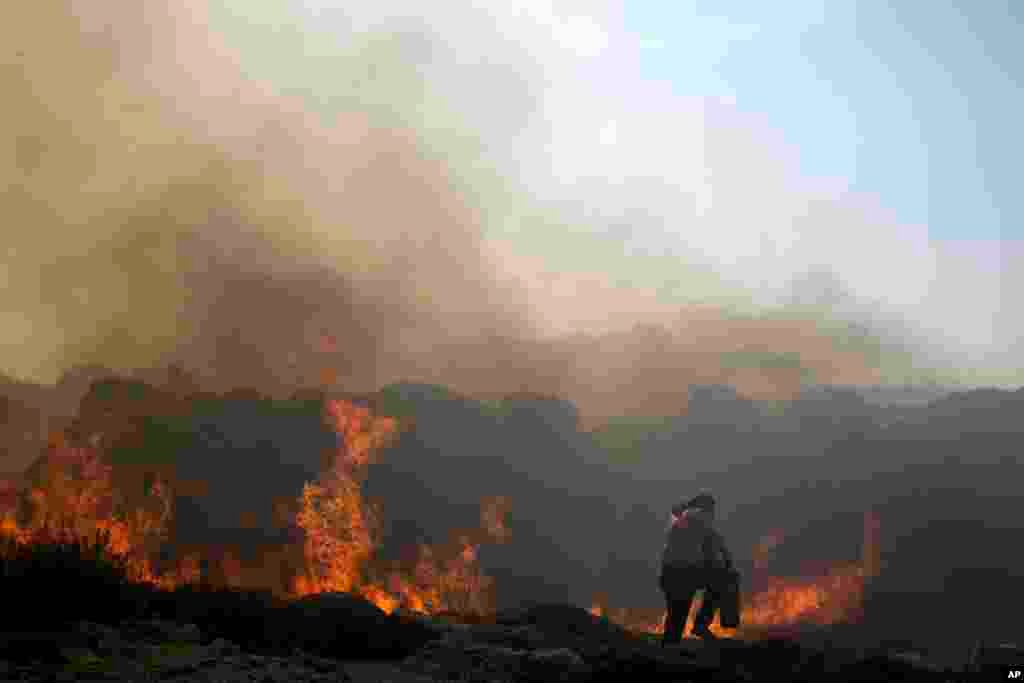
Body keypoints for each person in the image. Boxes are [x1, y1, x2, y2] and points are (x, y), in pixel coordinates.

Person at [658, 492, 734, 645]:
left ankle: (669, 649)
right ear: (707, 508)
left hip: (669, 574)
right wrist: (725, 563)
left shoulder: (681, 517)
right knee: (723, 580)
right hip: (685, 573)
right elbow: (713, 547)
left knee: (676, 617)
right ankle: (701, 625)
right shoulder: (700, 517)